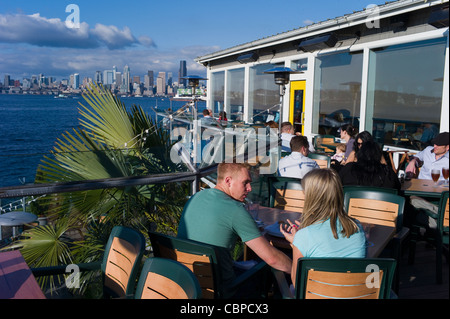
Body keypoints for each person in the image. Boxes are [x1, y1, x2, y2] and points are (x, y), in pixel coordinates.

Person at [177, 162, 292, 298]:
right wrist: (297, 271)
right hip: (224, 290)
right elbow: (273, 259)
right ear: (228, 181)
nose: (249, 188)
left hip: (189, 284)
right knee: (273, 267)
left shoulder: (195, 198)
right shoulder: (235, 210)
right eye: (245, 183)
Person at [280, 169, 367, 285]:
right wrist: (300, 241)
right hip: (356, 294)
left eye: (305, 194)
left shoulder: (304, 236)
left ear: (312, 198)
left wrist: (298, 242)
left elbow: (297, 284)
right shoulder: (357, 227)